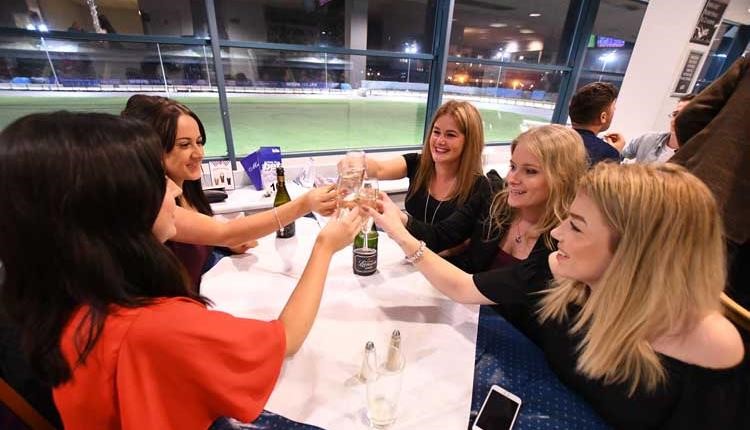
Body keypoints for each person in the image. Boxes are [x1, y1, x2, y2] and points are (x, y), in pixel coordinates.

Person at [0, 111, 362, 429]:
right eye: (154, 178)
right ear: (110, 208)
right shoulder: (151, 328)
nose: (174, 190)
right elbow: (285, 339)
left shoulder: (69, 305)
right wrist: (325, 246)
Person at [377, 162, 748, 428]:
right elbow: (464, 287)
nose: (557, 234)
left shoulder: (710, 346)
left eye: (577, 226)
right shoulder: (559, 269)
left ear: (635, 253)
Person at [122, 95, 337, 291]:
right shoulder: (157, 206)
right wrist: (305, 203)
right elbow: (227, 232)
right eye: (184, 145)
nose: (199, 153)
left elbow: (217, 234)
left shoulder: (186, 190)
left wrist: (222, 244)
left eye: (199, 142)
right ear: (152, 150)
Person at [370, 124, 587, 288]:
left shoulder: (564, 239)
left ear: (562, 178)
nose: (512, 179)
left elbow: (474, 287)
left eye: (530, 171)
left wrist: (401, 234)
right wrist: (399, 219)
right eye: (512, 166)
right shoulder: (496, 202)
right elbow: (442, 236)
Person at [672, 56, 750, 309]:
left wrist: (708, 153)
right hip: (735, 230)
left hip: (691, 190)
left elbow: (691, 117)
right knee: (711, 312)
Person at [355, 100, 488, 225]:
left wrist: (398, 218)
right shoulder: (417, 163)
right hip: (406, 247)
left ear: (469, 142)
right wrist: (356, 163)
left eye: (450, 135)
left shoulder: (479, 187)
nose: (440, 141)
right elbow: (379, 169)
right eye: (436, 132)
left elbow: (451, 241)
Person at [621, 94, 695, 164]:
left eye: (685, 115)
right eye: (675, 114)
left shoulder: (697, 156)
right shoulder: (647, 139)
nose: (677, 120)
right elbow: (620, 157)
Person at [569, 82, 623, 165]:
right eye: (613, 107)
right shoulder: (607, 154)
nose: (615, 110)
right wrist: (614, 155)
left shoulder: (552, 140)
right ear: (603, 117)